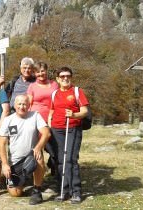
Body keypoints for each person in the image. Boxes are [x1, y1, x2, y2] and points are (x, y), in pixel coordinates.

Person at [0, 95, 50, 205]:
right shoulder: (8, 120)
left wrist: (38, 147)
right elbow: (2, 143)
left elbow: (46, 133)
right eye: (19, 104)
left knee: (38, 157)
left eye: (25, 104)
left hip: (31, 156)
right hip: (15, 161)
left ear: (29, 105)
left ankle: (37, 190)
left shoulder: (35, 115)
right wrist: (5, 164)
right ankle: (19, 180)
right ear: (15, 105)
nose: (22, 106)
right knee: (15, 193)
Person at [48, 67, 89, 204]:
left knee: (70, 159)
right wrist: (49, 126)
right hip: (57, 129)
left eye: (68, 76)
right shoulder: (54, 94)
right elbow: (51, 111)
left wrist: (74, 115)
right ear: (57, 79)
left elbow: (84, 111)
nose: (65, 78)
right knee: (60, 160)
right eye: (62, 76)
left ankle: (75, 191)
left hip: (72, 128)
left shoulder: (77, 91)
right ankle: (63, 190)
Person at [26, 62, 59, 176]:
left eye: (42, 71)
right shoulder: (32, 86)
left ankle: (53, 165)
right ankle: (39, 176)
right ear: (34, 73)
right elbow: (29, 103)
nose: (40, 74)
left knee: (54, 147)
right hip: (37, 119)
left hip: (52, 118)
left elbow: (58, 100)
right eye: (38, 72)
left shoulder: (54, 84)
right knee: (39, 147)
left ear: (46, 70)